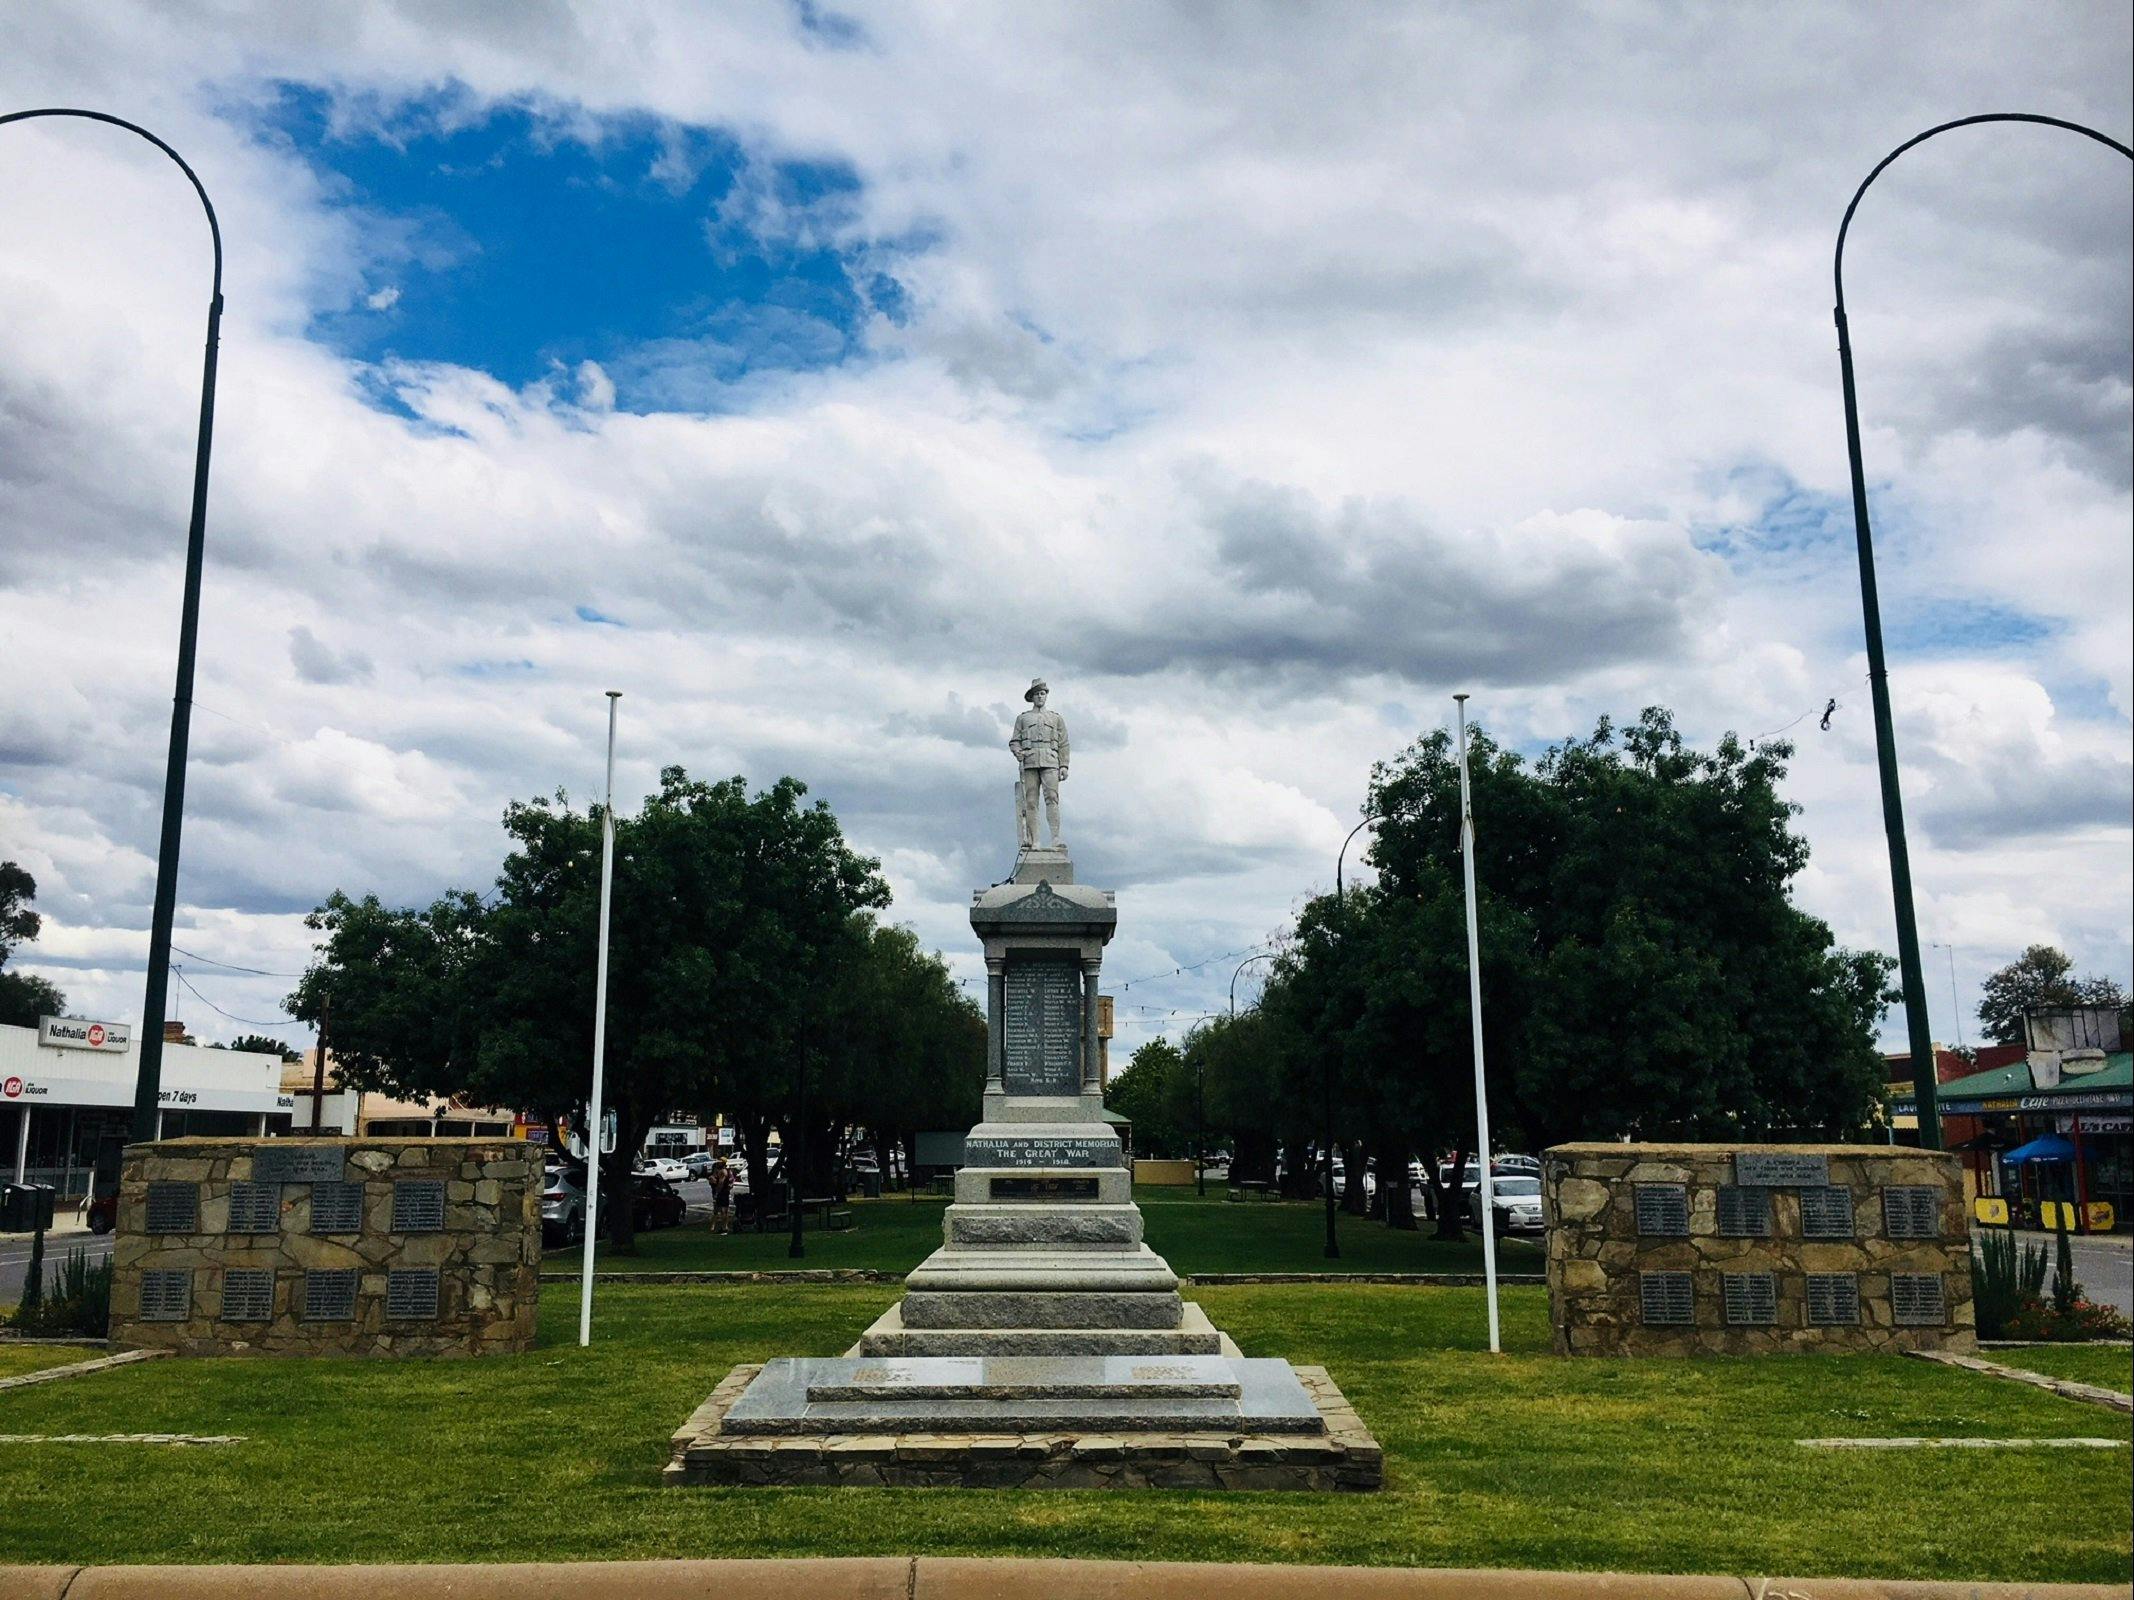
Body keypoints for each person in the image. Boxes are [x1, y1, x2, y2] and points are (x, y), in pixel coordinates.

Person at [1009, 677, 1069, 850]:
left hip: (1051, 761)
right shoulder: (1023, 718)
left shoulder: (1056, 718)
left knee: (1052, 799)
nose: (1040, 697)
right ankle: (1035, 840)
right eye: (1037, 694)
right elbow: (1014, 741)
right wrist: (1017, 751)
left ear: (1046, 696)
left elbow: (1064, 742)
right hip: (1030, 762)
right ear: (1032, 697)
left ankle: (1056, 838)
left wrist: (1064, 765)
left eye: (1043, 693)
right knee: (1031, 801)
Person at [710, 1160, 734, 1234]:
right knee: (720, 1210)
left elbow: (721, 1183)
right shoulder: (724, 1171)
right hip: (724, 1193)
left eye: (719, 1162)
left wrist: (717, 1191)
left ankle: (724, 1227)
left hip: (722, 1193)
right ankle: (721, 1226)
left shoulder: (723, 1172)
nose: (718, 1163)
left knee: (722, 1211)